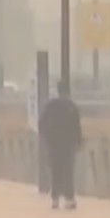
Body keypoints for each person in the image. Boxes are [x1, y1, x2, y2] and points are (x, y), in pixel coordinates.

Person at [40, 82, 83, 210]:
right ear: (68, 91)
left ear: (58, 91)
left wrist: (46, 138)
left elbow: (42, 122)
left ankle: (55, 199)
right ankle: (69, 199)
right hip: (68, 143)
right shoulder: (71, 106)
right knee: (68, 171)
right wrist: (78, 141)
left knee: (55, 170)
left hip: (53, 143)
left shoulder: (50, 105)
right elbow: (77, 126)